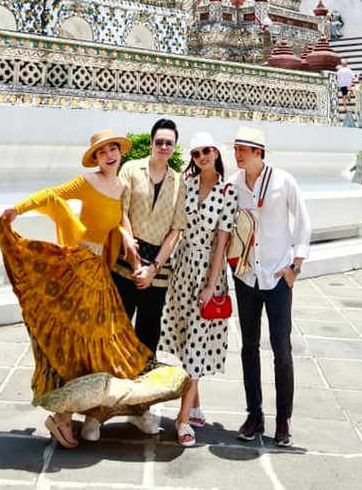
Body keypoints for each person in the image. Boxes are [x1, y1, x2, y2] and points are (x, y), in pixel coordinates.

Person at [0, 130, 151, 449]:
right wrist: (18, 209)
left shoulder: (121, 186)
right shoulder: (86, 182)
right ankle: (62, 416)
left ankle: (80, 411)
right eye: (102, 152)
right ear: (95, 158)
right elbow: (52, 196)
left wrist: (124, 235)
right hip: (78, 264)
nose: (109, 155)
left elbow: (116, 220)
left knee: (96, 339)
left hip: (98, 272)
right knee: (68, 336)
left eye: (113, 149)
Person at [231, 126, 311, 448]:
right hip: (246, 276)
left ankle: (283, 419)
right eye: (236, 148)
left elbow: (303, 221)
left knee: (282, 350)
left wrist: (296, 266)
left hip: (277, 277)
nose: (237, 154)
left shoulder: (283, 181)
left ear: (259, 152)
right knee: (249, 347)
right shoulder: (234, 185)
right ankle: (255, 414)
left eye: (244, 149)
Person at [108, 118, 186, 435]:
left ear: (174, 146)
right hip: (126, 259)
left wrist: (153, 267)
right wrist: (132, 249)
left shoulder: (179, 182)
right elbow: (121, 211)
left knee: (148, 337)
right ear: (151, 143)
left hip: (158, 269)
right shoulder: (131, 170)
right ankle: (102, 408)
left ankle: (141, 407)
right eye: (159, 142)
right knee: (117, 331)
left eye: (169, 143)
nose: (163, 147)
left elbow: (176, 230)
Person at [159, 132, 237, 448]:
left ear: (216, 153)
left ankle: (181, 420)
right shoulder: (186, 186)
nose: (202, 157)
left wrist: (210, 284)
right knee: (184, 336)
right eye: (196, 153)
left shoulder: (228, 191)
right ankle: (196, 403)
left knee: (197, 343)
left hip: (209, 271)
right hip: (182, 267)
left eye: (207, 151)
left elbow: (222, 241)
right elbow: (175, 229)